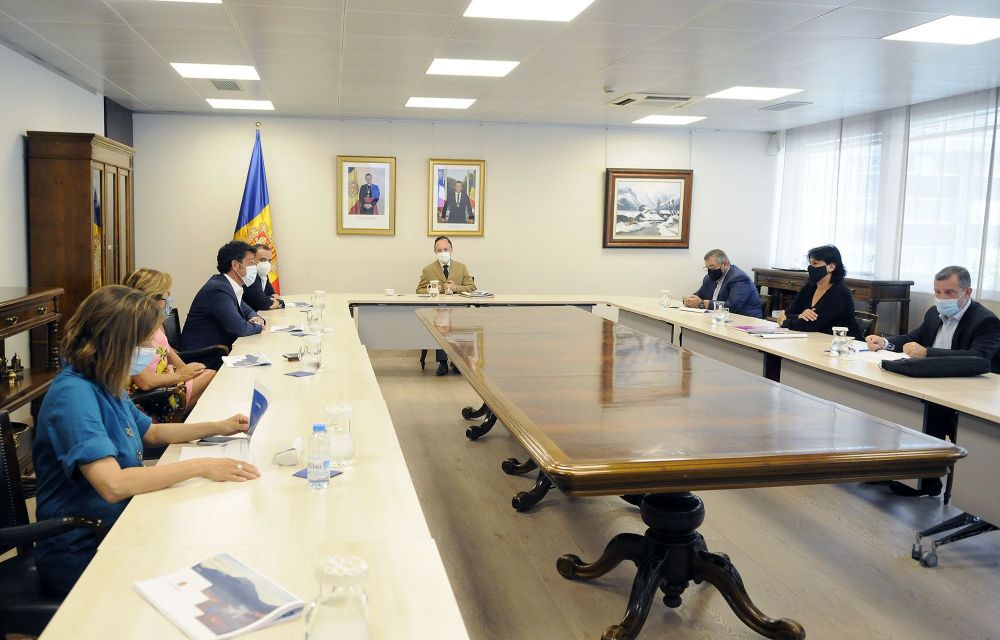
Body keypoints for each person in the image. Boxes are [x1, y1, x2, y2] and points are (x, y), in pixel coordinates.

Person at [32, 285, 261, 595]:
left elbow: (151, 432)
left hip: (123, 522)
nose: (151, 350)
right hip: (85, 547)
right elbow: (113, 484)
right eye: (144, 343)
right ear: (116, 341)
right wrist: (201, 466)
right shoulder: (74, 395)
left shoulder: (104, 380)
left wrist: (219, 426)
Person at [865, 266, 1000, 498]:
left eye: (949, 293)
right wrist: (885, 343)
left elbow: (978, 358)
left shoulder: (985, 320)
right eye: (937, 292)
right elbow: (913, 339)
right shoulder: (933, 313)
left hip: (969, 392)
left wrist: (928, 353)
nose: (942, 299)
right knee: (894, 400)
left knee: (928, 410)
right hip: (933, 382)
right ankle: (892, 468)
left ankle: (927, 481)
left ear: (967, 292)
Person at [124, 268, 216, 422]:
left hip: (165, 384)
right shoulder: (130, 330)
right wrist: (181, 375)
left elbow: (172, 356)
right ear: (150, 299)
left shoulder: (157, 324)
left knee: (207, 374)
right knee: (210, 376)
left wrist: (190, 371)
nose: (169, 300)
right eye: (165, 296)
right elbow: (145, 383)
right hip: (148, 397)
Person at [181, 241, 266, 368]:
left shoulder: (226, 284)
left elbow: (247, 310)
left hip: (218, 349)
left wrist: (256, 318)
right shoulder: (218, 289)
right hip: (203, 356)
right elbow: (240, 328)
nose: (254, 267)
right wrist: (258, 326)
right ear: (235, 265)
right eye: (250, 263)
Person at [417, 236, 476, 376]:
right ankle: (442, 362)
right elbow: (419, 290)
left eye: (445, 249)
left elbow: (472, 288)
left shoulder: (461, 267)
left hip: (458, 311)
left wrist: (456, 288)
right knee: (440, 326)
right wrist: (434, 290)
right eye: (439, 250)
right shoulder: (428, 269)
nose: (443, 253)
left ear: (451, 250)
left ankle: (457, 362)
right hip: (437, 310)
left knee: (461, 328)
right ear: (435, 251)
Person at [775, 244, 860, 337]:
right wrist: (799, 316)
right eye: (810, 264)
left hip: (842, 342)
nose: (810, 268)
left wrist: (784, 322)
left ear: (831, 267)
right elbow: (788, 313)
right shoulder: (810, 286)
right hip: (815, 338)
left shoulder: (839, 292)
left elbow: (811, 325)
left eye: (815, 264)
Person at [683, 249, 762, 318]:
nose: (710, 271)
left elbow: (732, 306)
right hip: (719, 318)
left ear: (725, 264)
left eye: (712, 267)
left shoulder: (739, 278)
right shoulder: (709, 278)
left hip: (746, 321)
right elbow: (699, 295)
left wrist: (702, 303)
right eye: (707, 268)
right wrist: (689, 300)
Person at [243, 243, 284, 312]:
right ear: (252, 259)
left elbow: (273, 294)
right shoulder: (250, 275)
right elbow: (262, 303)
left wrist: (269, 299)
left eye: (269, 260)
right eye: (263, 260)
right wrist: (280, 302)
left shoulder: (263, 274)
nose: (267, 264)